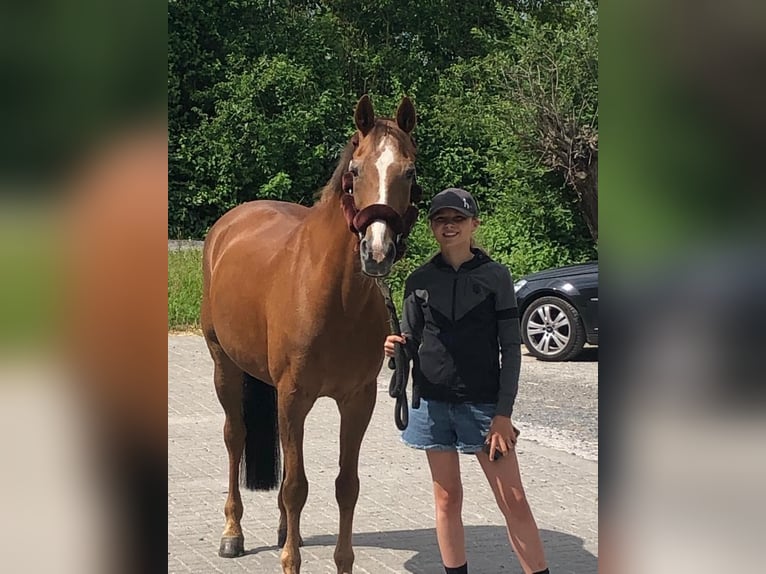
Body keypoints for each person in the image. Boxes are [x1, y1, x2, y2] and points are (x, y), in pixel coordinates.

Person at [384, 188, 550, 574]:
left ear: (474, 224)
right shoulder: (419, 280)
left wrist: (502, 415)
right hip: (433, 403)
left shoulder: (495, 276)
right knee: (446, 500)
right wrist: (395, 348)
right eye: (441, 219)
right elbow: (410, 339)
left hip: (484, 406)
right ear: (431, 227)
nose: (449, 226)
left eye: (457, 219)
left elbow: (511, 348)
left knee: (514, 500)